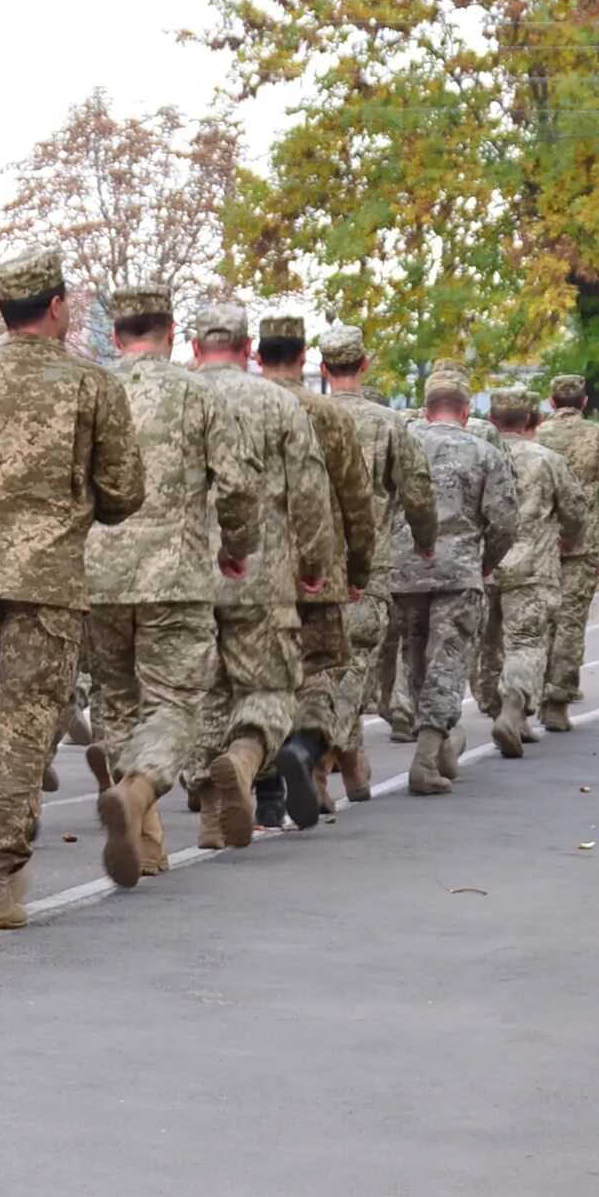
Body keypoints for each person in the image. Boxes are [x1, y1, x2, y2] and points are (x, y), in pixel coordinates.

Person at [0, 251, 143, 916]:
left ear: (3, 313)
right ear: (56, 308)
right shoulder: (92, 387)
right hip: (48, 581)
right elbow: (123, 493)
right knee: (27, 727)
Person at [82, 284, 251, 883]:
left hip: (98, 575)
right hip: (173, 574)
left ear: (115, 334)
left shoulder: (93, 387)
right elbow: (234, 484)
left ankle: (147, 843)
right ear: (172, 333)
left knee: (117, 699)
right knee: (175, 702)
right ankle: (138, 789)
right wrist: (236, 547)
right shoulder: (195, 393)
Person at [189, 304, 339, 842]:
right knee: (271, 687)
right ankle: (247, 756)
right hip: (264, 570)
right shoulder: (278, 404)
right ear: (249, 347)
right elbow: (309, 493)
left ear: (194, 345)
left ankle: (211, 815)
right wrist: (316, 563)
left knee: (208, 690)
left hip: (188, 571)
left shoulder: (180, 396)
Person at [254, 315, 378, 824]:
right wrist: (359, 569)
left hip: (255, 570)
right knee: (320, 675)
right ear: (305, 358)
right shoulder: (328, 414)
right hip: (319, 566)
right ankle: (305, 749)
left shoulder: (241, 405)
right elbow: (356, 498)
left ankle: (266, 794)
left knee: (259, 679)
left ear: (258, 356)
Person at [317, 326, 437, 801]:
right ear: (365, 365)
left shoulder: (304, 415)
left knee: (318, 666)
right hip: (369, 567)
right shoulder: (389, 424)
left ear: (324, 369)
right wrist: (426, 540)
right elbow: (418, 491)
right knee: (357, 661)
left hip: (308, 563)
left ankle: (350, 760)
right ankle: (321, 758)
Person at [393, 373, 519, 793]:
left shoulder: (403, 445)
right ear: (467, 412)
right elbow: (504, 520)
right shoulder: (484, 452)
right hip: (458, 571)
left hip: (405, 571)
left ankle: (441, 742)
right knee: (446, 664)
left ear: (426, 411)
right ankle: (427, 760)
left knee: (417, 662)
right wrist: (486, 562)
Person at [487, 389, 589, 755]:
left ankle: (493, 714)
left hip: (483, 565)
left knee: (485, 648)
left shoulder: (481, 453)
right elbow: (576, 514)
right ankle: (513, 709)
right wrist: (569, 540)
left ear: (492, 420)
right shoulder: (547, 460)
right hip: (533, 567)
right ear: (536, 421)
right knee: (526, 643)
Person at [531, 374, 599, 731]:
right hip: (584, 540)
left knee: (536, 621)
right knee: (570, 623)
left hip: (540, 539)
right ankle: (557, 702)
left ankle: (527, 692)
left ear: (551, 403)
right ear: (584, 402)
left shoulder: (534, 435)